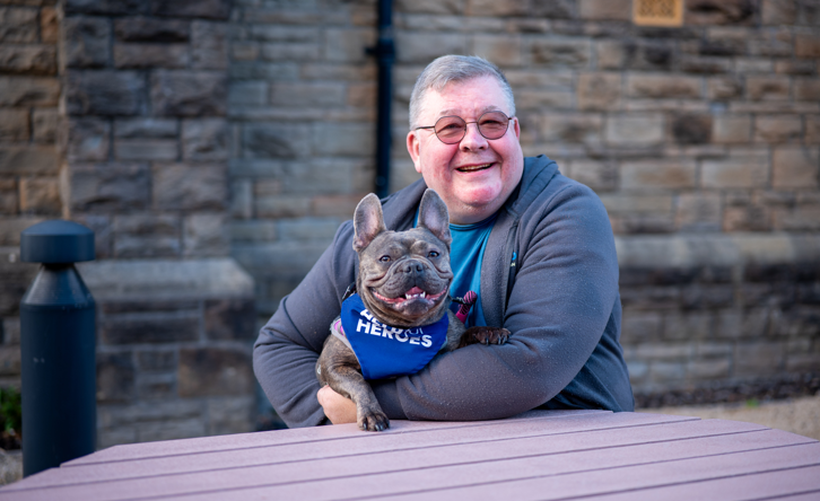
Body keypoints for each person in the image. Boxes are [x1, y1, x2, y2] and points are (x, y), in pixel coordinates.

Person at [253, 55, 634, 428]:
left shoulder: (566, 214)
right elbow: (279, 346)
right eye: (450, 128)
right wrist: (334, 418)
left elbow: (531, 365)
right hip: (409, 460)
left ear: (514, 134)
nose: (474, 141)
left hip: (564, 444)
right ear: (416, 150)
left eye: (491, 123)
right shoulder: (381, 233)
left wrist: (367, 403)